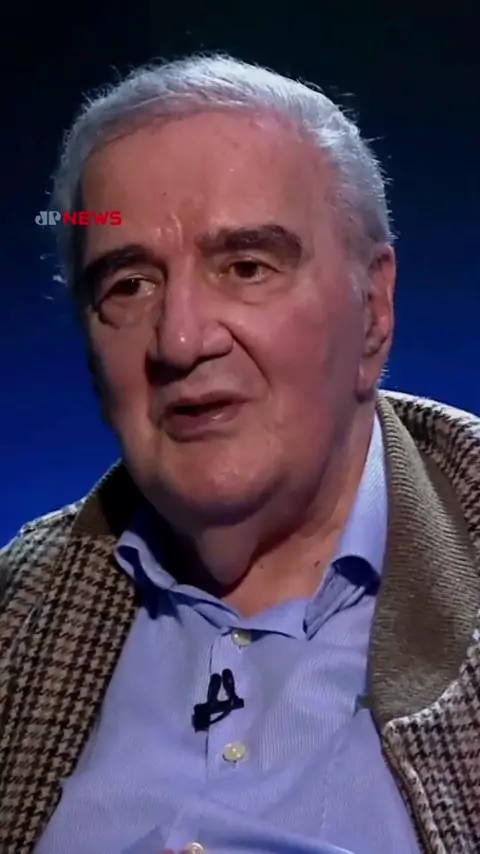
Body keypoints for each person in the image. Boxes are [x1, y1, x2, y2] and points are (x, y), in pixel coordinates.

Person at [0, 52, 479, 854]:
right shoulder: (19, 615)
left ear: (373, 309)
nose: (181, 340)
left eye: (247, 267)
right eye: (129, 284)